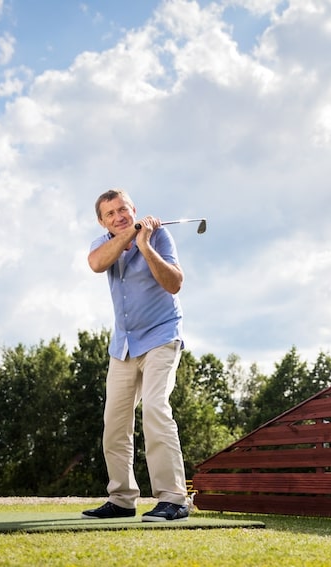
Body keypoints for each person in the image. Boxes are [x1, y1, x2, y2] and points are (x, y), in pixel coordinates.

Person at [82, 188, 190, 522]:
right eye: (111, 213)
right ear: (103, 221)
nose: (119, 216)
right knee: (114, 424)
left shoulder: (159, 237)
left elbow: (174, 284)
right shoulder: (101, 245)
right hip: (124, 346)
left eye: (123, 210)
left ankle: (174, 499)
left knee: (156, 408)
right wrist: (129, 236)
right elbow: (97, 264)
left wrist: (144, 244)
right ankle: (122, 499)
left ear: (134, 209)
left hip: (161, 336)